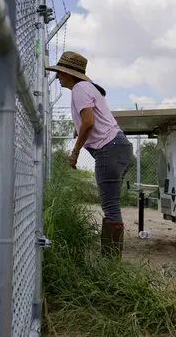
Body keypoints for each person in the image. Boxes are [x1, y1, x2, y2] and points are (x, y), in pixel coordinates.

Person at [46, 51, 133, 258]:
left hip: (109, 150)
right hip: (119, 147)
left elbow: (89, 122)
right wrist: (78, 128)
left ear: (69, 73)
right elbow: (93, 119)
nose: (57, 77)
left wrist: (75, 152)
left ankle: (110, 264)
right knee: (111, 204)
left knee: (111, 207)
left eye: (60, 73)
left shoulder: (78, 88)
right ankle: (110, 259)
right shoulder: (87, 88)